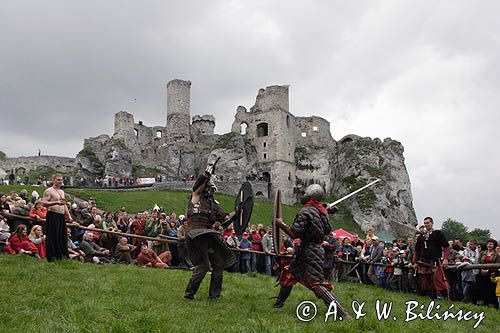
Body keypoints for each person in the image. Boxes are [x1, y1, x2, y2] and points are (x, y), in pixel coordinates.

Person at [273, 184, 351, 320]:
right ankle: (279, 304)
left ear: (310, 196)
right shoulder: (322, 213)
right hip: (311, 250)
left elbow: (295, 233)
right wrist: (326, 212)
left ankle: (342, 313)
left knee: (316, 283)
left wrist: (280, 224)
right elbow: (327, 230)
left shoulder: (306, 212)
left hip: (310, 251)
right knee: (289, 274)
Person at [184, 163, 237, 300]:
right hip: (195, 234)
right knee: (203, 266)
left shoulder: (214, 205)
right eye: (209, 188)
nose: (211, 191)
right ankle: (189, 294)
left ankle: (214, 296)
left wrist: (237, 212)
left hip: (208, 235)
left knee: (218, 263)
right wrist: (206, 175)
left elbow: (225, 220)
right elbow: (197, 187)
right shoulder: (195, 198)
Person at [412, 216, 450, 299]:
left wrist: (446, 259)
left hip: (435, 261)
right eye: (425, 223)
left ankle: (444, 297)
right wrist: (415, 262)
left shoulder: (438, 233)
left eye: (428, 223)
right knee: (425, 281)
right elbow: (417, 250)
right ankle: (430, 298)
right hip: (424, 262)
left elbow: (446, 247)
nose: (426, 224)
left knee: (438, 280)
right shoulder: (422, 236)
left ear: (432, 223)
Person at [41, 174, 73, 261]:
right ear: (53, 180)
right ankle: (52, 256)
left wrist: (68, 215)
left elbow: (63, 204)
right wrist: (55, 203)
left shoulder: (62, 192)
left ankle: (62, 255)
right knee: (53, 236)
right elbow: (43, 203)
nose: (60, 181)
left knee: (62, 235)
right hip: (52, 214)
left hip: (61, 215)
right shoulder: (49, 191)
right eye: (58, 180)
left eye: (61, 180)